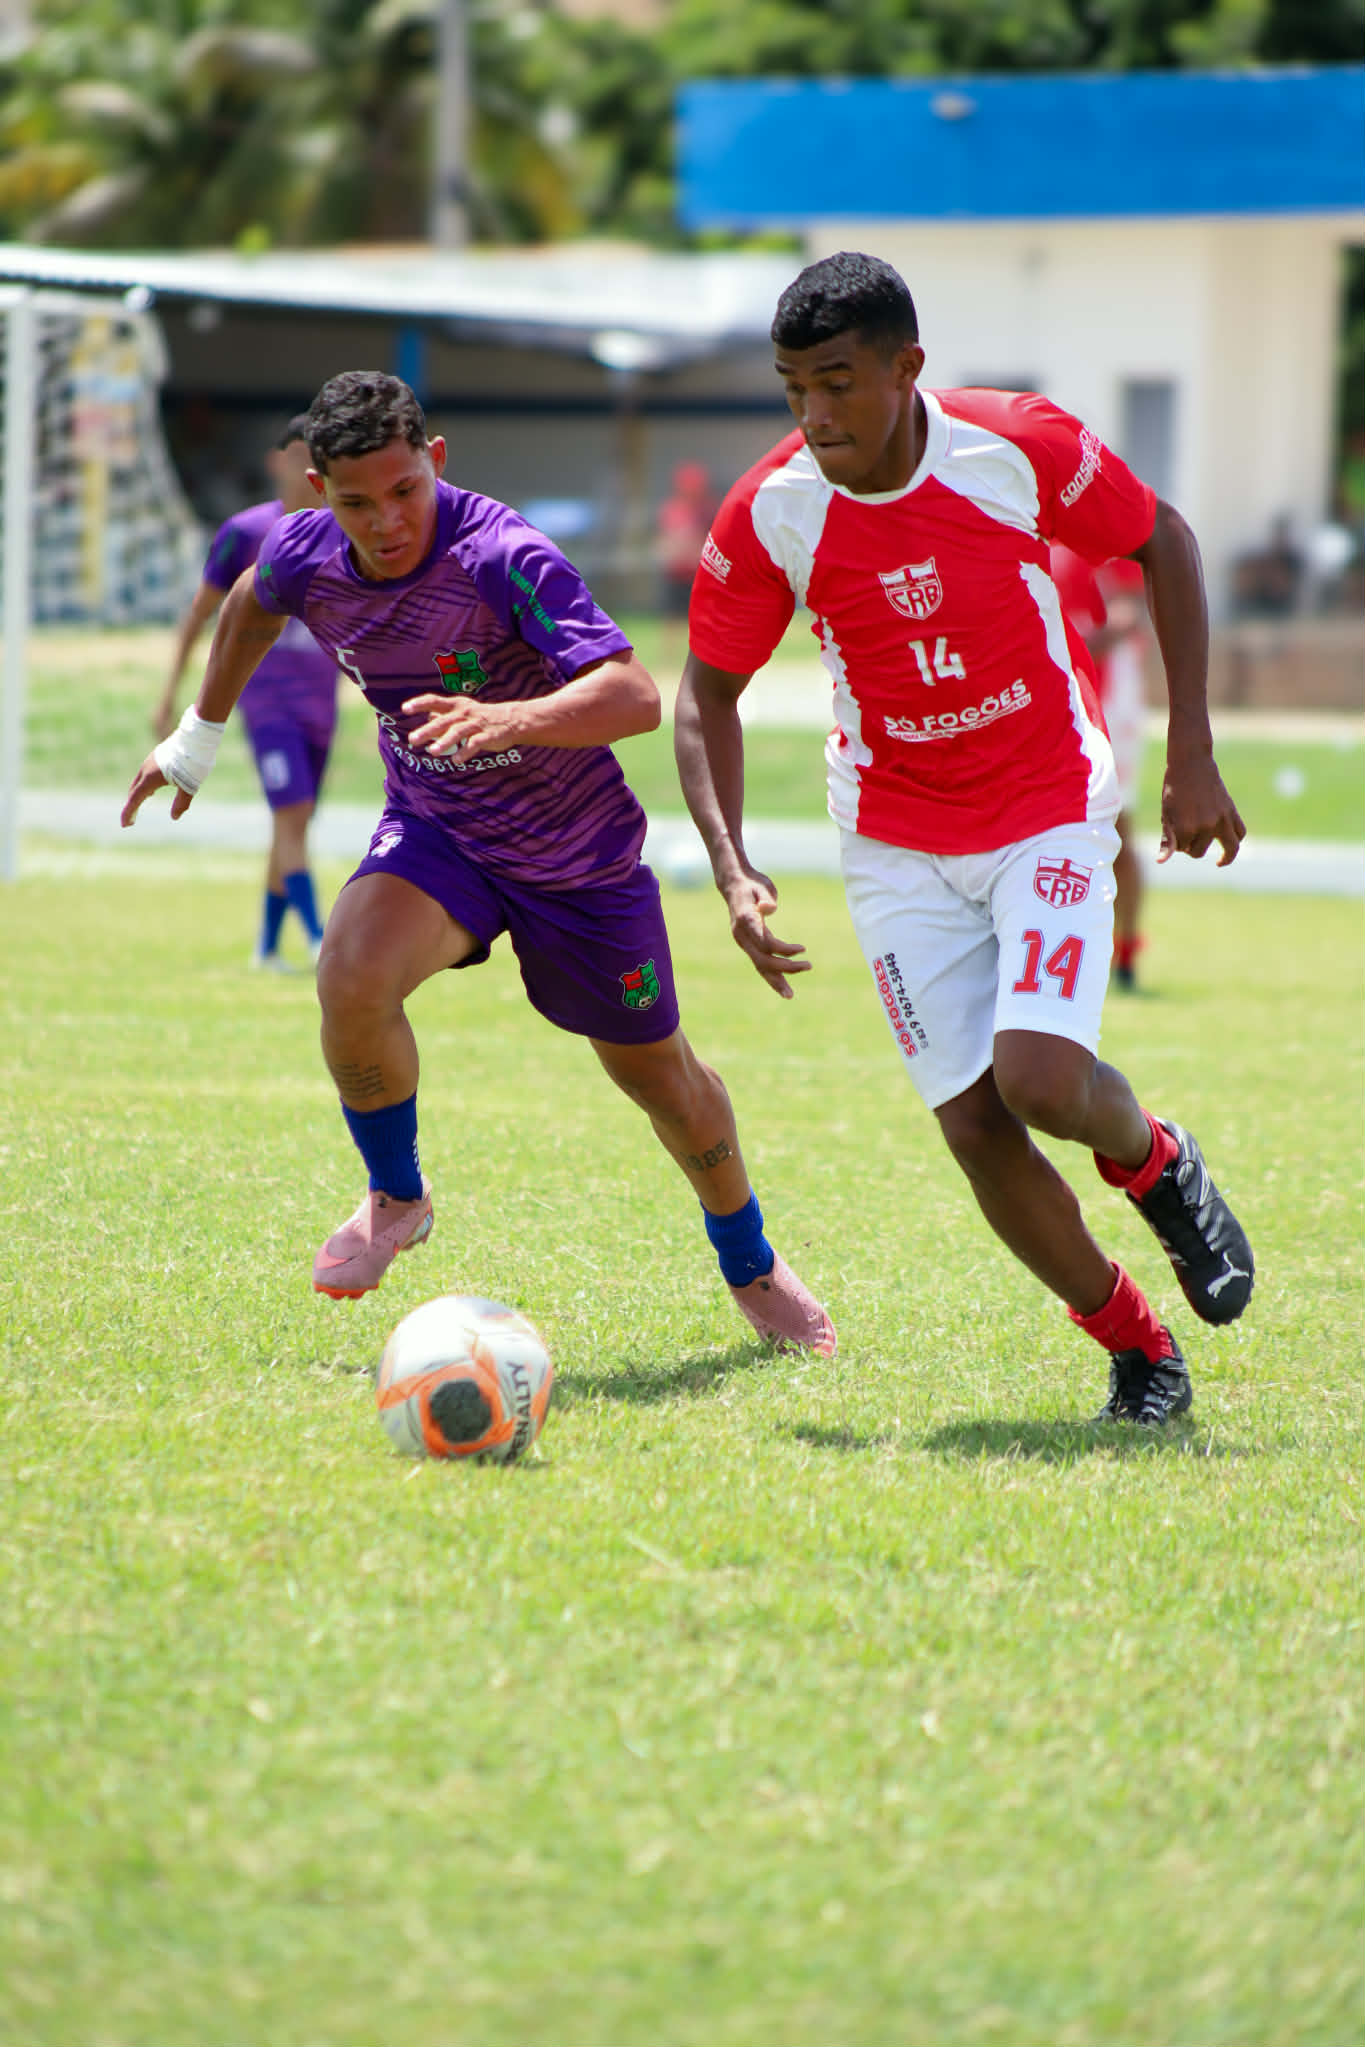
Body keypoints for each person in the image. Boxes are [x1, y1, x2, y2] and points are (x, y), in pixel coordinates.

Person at [122, 370, 835, 1357]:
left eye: (404, 490)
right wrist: (197, 738)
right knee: (349, 972)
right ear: (320, 491)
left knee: (660, 1078)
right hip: (440, 831)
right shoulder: (303, 550)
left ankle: (750, 1260)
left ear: (436, 460)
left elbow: (632, 693)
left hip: (574, 856)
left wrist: (507, 718)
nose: (386, 522)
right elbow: (250, 602)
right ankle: (396, 1196)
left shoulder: (501, 554)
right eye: (358, 502)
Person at [674, 251, 1254, 1427]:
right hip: (892, 841)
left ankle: (1155, 1159)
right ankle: (1140, 1350)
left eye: (838, 382)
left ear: (907, 368)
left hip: (1046, 803)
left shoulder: (1013, 445)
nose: (814, 414)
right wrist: (734, 869)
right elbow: (704, 698)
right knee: (976, 1128)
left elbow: (1164, 538)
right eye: (794, 387)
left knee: (1041, 1081)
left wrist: (1192, 752)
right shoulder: (773, 507)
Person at [154, 418, 339, 969]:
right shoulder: (245, 532)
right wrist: (170, 694)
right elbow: (200, 614)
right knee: (292, 814)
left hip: (320, 704)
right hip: (267, 703)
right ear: (276, 462)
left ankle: (267, 947)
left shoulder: (342, 533)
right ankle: (319, 939)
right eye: (299, 457)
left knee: (294, 823)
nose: (307, 471)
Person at [1049, 544, 1148, 989]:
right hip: (1055, 698)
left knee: (1116, 825)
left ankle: (1125, 950)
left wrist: (1072, 651)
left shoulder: (1101, 539)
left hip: (1107, 698)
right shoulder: (1027, 531)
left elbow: (1128, 615)